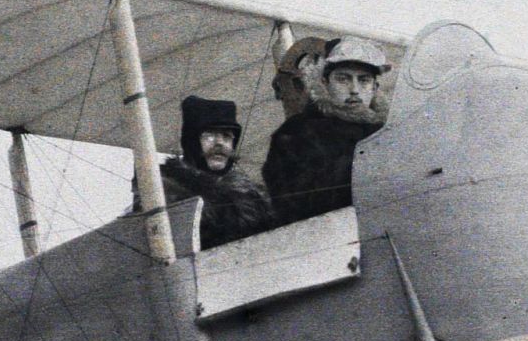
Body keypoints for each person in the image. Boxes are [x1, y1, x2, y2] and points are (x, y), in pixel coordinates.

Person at [261, 37, 391, 226]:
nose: (354, 90)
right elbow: (296, 204)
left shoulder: (388, 133)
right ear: (325, 82)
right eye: (343, 79)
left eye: (364, 80)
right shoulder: (295, 134)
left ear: (375, 88)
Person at [140, 95, 274, 250]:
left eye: (227, 136)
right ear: (191, 141)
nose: (220, 143)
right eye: (209, 135)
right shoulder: (160, 191)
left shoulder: (255, 198)